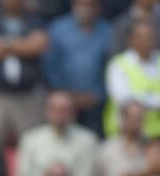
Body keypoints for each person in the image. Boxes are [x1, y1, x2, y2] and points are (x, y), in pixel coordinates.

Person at [0, 0, 50, 148]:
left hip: (27, 95)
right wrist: (22, 45)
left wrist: (2, 44)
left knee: (32, 144)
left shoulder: (34, 20)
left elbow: (38, 46)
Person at [104, 19, 160, 141]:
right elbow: (123, 98)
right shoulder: (118, 65)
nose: (148, 42)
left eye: (151, 37)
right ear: (131, 40)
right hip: (129, 136)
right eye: (142, 37)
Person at [15, 91, 100, 176]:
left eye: (64, 110)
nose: (59, 114)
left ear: (73, 112)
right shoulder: (30, 139)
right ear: (47, 111)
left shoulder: (87, 141)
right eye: (54, 109)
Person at [43, 0, 112, 134]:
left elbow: (111, 66)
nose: (86, 9)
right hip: (64, 99)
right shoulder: (58, 29)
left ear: (98, 7)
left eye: (91, 4)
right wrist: (66, 93)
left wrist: (99, 93)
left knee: (93, 140)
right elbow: (50, 65)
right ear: (74, 5)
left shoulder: (107, 31)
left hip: (96, 102)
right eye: (83, 4)